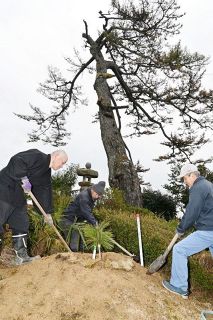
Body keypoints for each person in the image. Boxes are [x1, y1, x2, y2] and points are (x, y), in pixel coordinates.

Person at [0, 149, 68, 264]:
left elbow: (44, 192)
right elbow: (17, 160)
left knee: (21, 222)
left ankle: (21, 258)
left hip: (17, 195)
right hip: (4, 188)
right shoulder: (37, 155)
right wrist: (23, 178)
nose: (62, 166)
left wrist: (47, 214)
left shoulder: (46, 173)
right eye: (62, 162)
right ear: (56, 156)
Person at [162, 163, 213, 299]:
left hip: (208, 230)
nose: (184, 182)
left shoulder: (198, 187)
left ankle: (179, 287)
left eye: (185, 178)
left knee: (179, 249)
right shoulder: (209, 185)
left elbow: (192, 212)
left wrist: (181, 229)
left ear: (192, 175)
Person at [60, 181, 106, 252]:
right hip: (67, 220)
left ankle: (81, 255)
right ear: (93, 190)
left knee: (82, 241)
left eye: (99, 196)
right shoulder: (84, 197)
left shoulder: (91, 197)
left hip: (76, 221)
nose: (98, 197)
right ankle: (72, 258)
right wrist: (95, 224)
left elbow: (88, 213)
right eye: (97, 194)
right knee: (74, 241)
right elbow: (86, 212)